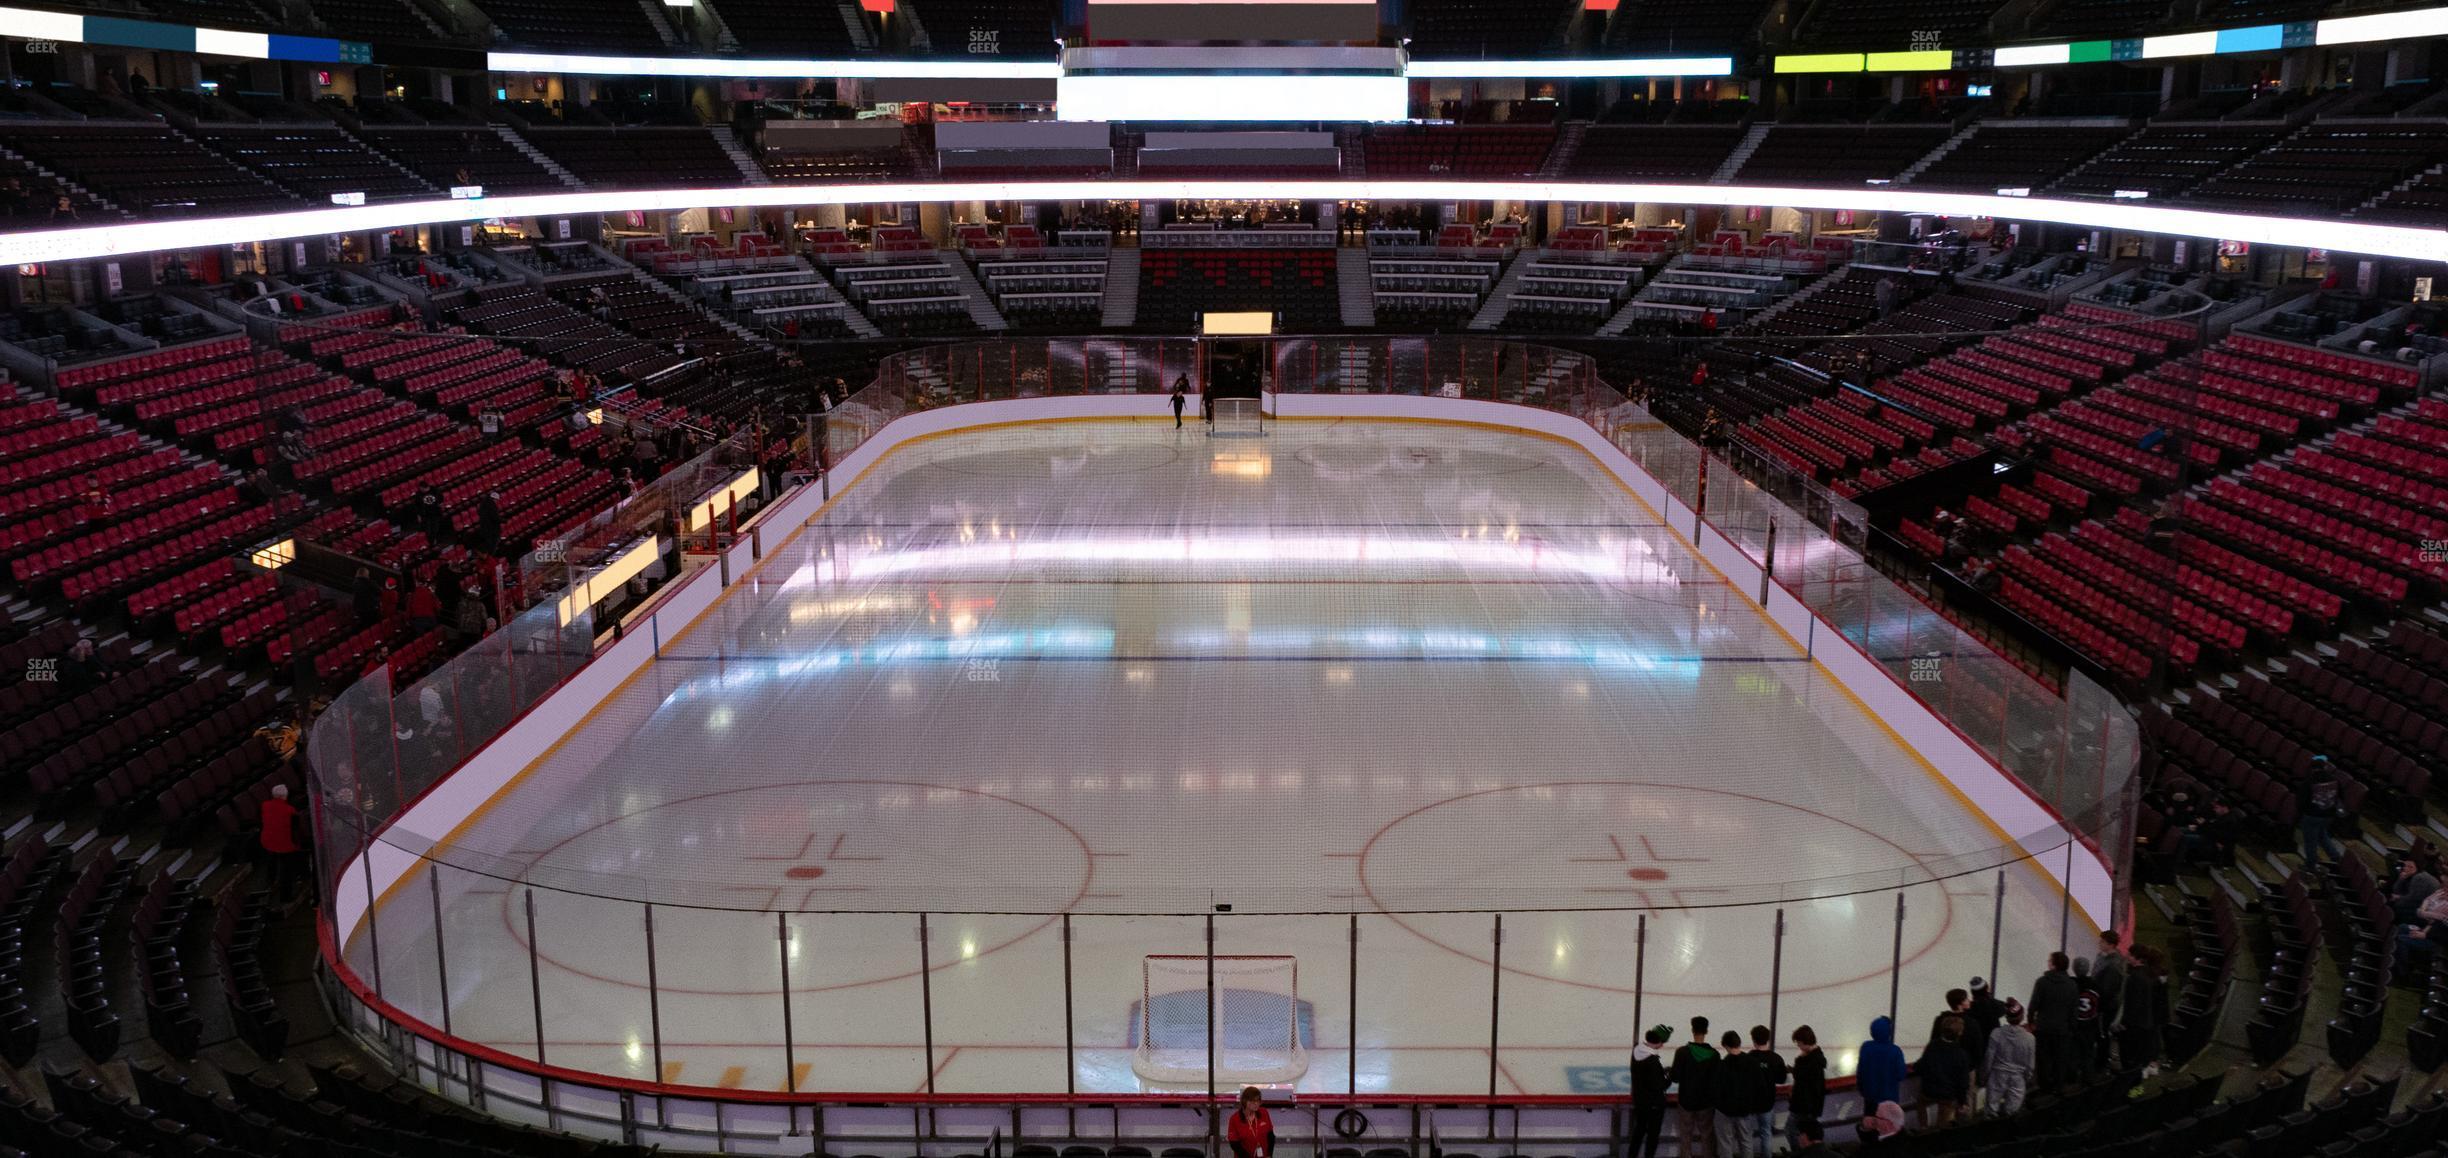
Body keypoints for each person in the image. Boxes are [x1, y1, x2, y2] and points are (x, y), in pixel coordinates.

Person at [1669, 1016, 1719, 1158]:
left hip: (1686, 1101)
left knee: (1685, 1135)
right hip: (1706, 1103)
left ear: (1692, 1030)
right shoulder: (1714, 1055)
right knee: (1707, 1135)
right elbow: (1716, 1080)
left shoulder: (1682, 1052)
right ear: (1706, 1031)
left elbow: (1675, 1077)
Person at [2029, 952, 2077, 1091]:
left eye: (2050, 961)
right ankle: (2058, 1088)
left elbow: (2033, 1006)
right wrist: (2072, 1029)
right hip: (2062, 1030)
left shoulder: (2042, 982)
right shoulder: (2071, 985)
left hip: (2044, 1029)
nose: (2048, 962)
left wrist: (2032, 1022)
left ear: (2054, 965)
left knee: (2043, 1060)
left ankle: (2044, 1088)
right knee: (2059, 1060)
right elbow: (2073, 1011)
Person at [1918, 1014, 1972, 1127]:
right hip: (1946, 1095)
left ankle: (1923, 1128)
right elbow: (1963, 1082)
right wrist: (1962, 1101)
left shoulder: (1932, 1046)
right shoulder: (1961, 1054)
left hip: (1929, 1090)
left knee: (1921, 1103)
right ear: (1959, 1033)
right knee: (1943, 1121)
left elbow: (1922, 1065)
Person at [1983, 1000, 2034, 1117]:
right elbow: (2030, 1064)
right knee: (2012, 1112)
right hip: (2018, 1077)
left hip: (1997, 1075)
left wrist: (1985, 1075)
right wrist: (2027, 1077)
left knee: (1990, 1111)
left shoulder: (1996, 1033)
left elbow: (1989, 1057)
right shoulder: (2030, 1038)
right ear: (2022, 1017)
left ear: (2007, 1017)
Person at [2121, 945, 2167, 1075]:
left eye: (2130, 955)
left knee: (2132, 1056)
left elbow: (2132, 1003)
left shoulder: (2136, 977)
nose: (2127, 957)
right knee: (2139, 1055)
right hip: (2146, 1021)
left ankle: (2131, 1082)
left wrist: (2124, 1023)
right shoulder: (2151, 976)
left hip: (2137, 1024)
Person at [1628, 1024, 1672, 1158]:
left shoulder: (1637, 1051)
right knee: (1652, 1135)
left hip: (1639, 1100)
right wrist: (1669, 1076)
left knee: (1639, 1131)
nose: (1663, 1045)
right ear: (1658, 1041)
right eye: (1663, 1042)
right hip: (1653, 1104)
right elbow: (1659, 1085)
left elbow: (1645, 1075)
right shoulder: (1652, 1060)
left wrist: (1661, 1071)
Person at [1710, 1029, 1754, 1158]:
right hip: (1745, 1110)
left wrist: (1718, 1104)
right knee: (1746, 1142)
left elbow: (1715, 1089)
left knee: (1725, 1144)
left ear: (1725, 1045)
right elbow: (1758, 1086)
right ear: (1739, 1043)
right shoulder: (1752, 1063)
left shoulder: (1722, 1065)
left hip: (1725, 1111)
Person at [258, 784, 303, 908]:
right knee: (287, 870)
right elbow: (296, 829)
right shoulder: (290, 810)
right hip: (285, 844)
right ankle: (286, 896)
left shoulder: (265, 805)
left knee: (272, 861)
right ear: (285, 796)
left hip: (268, 841)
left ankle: (269, 882)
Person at [2298, 758, 2346, 867]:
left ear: (2312, 769)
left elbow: (2301, 801)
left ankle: (2311, 864)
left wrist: (2301, 814)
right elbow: (2340, 796)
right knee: (2322, 835)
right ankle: (2335, 856)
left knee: (2310, 841)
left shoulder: (2309, 781)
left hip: (2312, 815)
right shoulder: (2335, 779)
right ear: (2325, 767)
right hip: (2328, 815)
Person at [1745, 1024, 1783, 1158]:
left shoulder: (1749, 1058)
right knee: (1766, 1133)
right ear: (1767, 1039)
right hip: (1767, 1102)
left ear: (1753, 1040)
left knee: (1747, 1135)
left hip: (1750, 1102)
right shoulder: (1776, 1058)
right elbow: (1781, 1079)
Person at [2092, 934, 2127, 1072]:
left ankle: (2101, 1063)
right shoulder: (2103, 956)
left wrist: (2097, 1004)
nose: (2099, 943)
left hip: (2105, 1007)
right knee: (2100, 1032)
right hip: (2102, 1004)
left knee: (2102, 1033)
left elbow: (2107, 991)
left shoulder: (2113, 965)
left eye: (2103, 942)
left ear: (2111, 945)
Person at [1787, 1026, 1826, 1150]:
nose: (1798, 1046)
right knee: (1804, 1133)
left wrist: (1799, 1060)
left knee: (1791, 1130)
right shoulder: (1817, 1059)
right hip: (1809, 1106)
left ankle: (1799, 1153)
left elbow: (1800, 1075)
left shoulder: (1809, 1060)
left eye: (1798, 1043)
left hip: (1804, 1105)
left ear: (1804, 1041)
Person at [1855, 1016, 1905, 1111]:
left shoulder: (1866, 1048)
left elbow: (1861, 1071)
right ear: (1889, 1032)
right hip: (1889, 1098)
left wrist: (1861, 1089)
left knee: (1871, 1122)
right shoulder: (1895, 1051)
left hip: (1870, 1097)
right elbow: (1900, 1074)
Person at [2069, 957, 2103, 1082]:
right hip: (2090, 1026)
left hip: (2075, 1026)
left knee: (2073, 1054)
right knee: (2088, 1054)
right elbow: (2099, 1006)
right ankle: (2088, 1080)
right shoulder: (2096, 985)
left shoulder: (2070, 984)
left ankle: (2072, 1082)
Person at [1224, 1087, 1272, 1158]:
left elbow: (1270, 1135)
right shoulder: (1235, 1119)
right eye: (1253, 1101)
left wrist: (1269, 1155)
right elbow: (1234, 1144)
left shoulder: (1264, 1112)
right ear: (1245, 1101)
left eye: (1258, 1101)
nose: (1256, 1104)